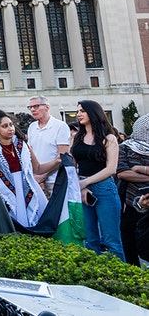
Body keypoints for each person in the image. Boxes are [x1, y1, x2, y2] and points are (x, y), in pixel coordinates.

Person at [0, 107, 61, 228]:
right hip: (3, 191)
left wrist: (57, 161)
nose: (10, 129)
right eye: (5, 126)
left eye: (11, 125)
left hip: (27, 186)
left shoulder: (23, 145)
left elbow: (38, 168)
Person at [72, 100, 125, 260]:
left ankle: (120, 280)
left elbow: (111, 169)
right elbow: (71, 165)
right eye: (78, 111)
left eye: (82, 111)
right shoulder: (77, 138)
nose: (78, 114)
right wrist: (80, 186)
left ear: (93, 113)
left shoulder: (109, 138)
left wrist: (85, 183)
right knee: (89, 240)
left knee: (111, 241)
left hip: (104, 189)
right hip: (82, 189)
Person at [116, 113, 149, 265]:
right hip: (131, 201)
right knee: (128, 239)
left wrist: (139, 168)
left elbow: (130, 171)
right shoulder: (125, 147)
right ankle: (134, 273)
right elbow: (122, 172)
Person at [26, 95, 71, 199]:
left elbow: (61, 157)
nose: (33, 110)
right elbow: (30, 155)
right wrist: (35, 177)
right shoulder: (32, 127)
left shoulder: (60, 126)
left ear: (47, 107)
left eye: (36, 106)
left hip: (54, 181)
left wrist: (43, 176)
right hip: (36, 181)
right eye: (30, 107)